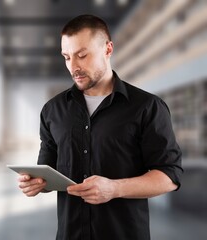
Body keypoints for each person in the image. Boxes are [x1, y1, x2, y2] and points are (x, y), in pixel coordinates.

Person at [17, 14, 183, 240]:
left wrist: (115, 188)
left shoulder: (147, 107)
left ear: (108, 49)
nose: (73, 66)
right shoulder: (52, 111)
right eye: (66, 57)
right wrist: (36, 184)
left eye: (82, 55)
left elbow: (170, 176)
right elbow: (48, 171)